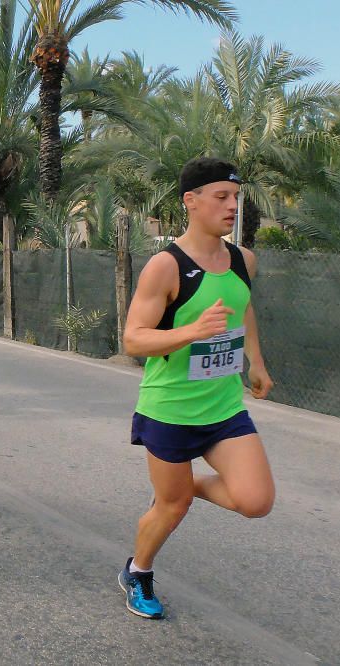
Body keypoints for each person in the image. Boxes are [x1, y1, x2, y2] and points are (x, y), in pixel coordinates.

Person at [118, 157, 275, 620]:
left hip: (223, 407)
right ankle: (138, 573)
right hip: (170, 409)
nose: (231, 206)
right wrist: (190, 332)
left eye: (235, 197)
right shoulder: (165, 267)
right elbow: (133, 339)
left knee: (256, 501)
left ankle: (184, 489)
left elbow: (241, 308)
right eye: (221, 197)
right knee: (171, 509)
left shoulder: (243, 260)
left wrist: (256, 361)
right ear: (191, 201)